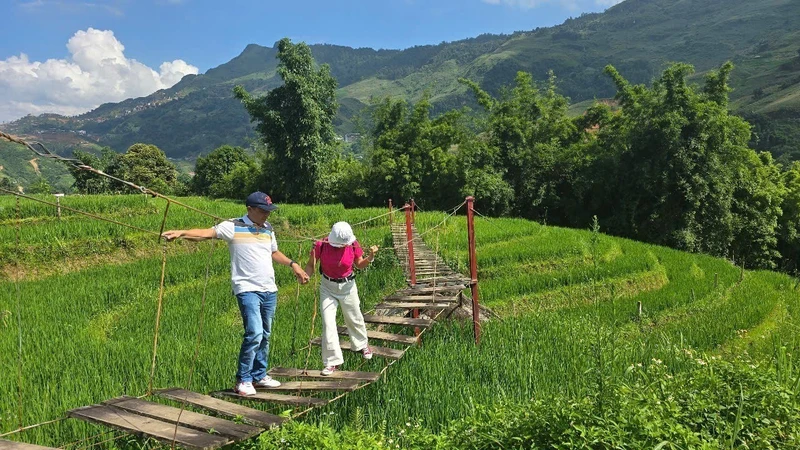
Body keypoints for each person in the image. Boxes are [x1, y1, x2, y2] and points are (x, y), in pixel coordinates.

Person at [161, 191, 310, 396]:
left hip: (269, 289)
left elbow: (274, 252)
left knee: (265, 335)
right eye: (262, 210)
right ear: (250, 209)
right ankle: (243, 379)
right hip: (247, 289)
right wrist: (182, 233)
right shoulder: (232, 226)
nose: (267, 214)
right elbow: (206, 233)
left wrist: (294, 265)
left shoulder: (268, 228)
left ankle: (259, 375)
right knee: (254, 333)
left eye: (269, 211)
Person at [305, 221, 378, 376]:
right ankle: (332, 361)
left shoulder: (353, 244)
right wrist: (306, 276)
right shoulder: (321, 245)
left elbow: (359, 264)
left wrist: (370, 257)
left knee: (354, 317)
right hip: (327, 287)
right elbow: (311, 265)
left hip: (347, 286)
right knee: (328, 323)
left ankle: (361, 344)